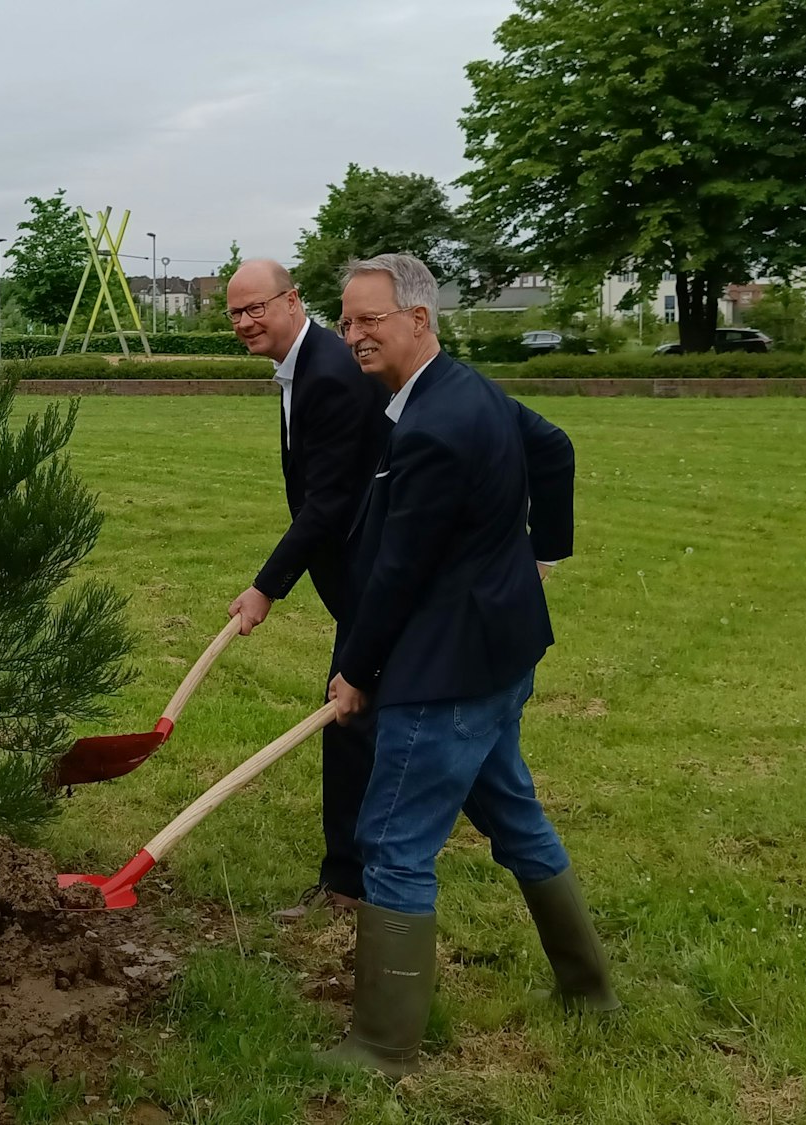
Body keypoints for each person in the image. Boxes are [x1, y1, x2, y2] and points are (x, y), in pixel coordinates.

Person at [317, 253, 617, 1078]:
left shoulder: (435, 428)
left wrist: (356, 671)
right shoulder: (465, 390)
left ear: (420, 319)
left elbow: (396, 573)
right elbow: (551, 447)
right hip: (499, 654)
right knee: (515, 816)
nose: (354, 336)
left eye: (370, 319)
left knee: (393, 843)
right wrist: (540, 554)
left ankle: (381, 1046)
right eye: (345, 322)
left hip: (446, 673)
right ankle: (590, 992)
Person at [221, 259, 392, 923]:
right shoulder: (305, 366)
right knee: (372, 719)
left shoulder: (328, 372)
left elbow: (326, 505)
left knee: (350, 719)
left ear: (293, 300)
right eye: (234, 312)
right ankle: (356, 877)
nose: (244, 322)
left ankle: (351, 885)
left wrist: (266, 587)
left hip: (377, 576)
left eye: (256, 307)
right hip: (363, 575)